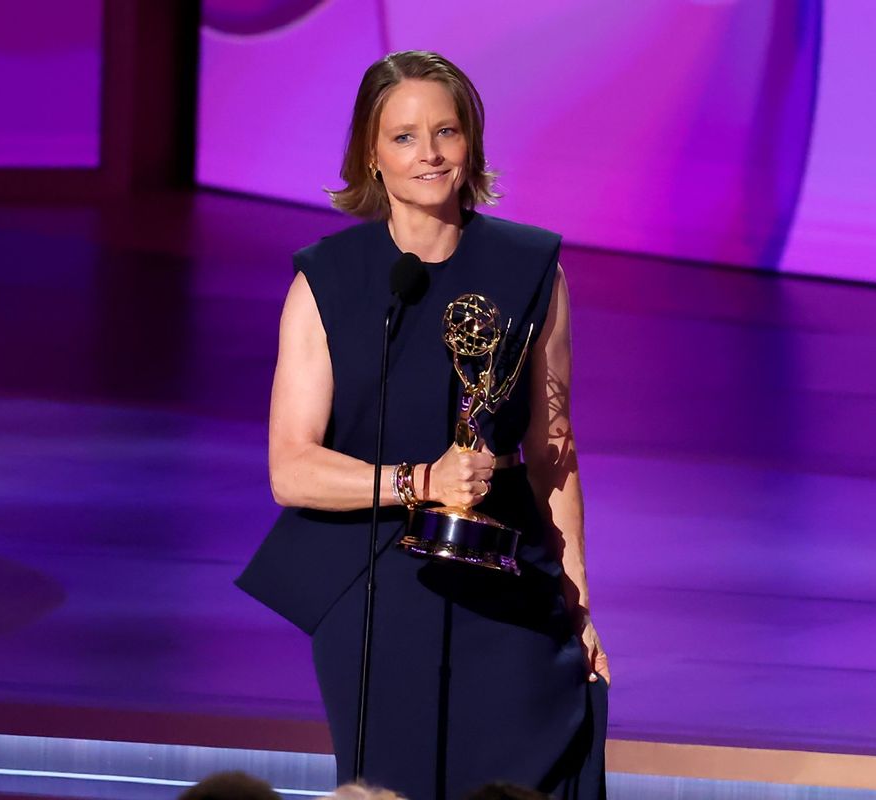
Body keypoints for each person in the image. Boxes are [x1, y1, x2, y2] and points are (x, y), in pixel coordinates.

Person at [236, 50, 609, 800]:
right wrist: (420, 480)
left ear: (471, 141)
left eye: (447, 132)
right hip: (375, 581)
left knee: (533, 767)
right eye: (404, 137)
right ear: (370, 155)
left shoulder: (532, 268)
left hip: (506, 571)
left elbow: (552, 448)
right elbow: (292, 469)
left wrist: (578, 597)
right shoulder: (327, 282)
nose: (430, 154)